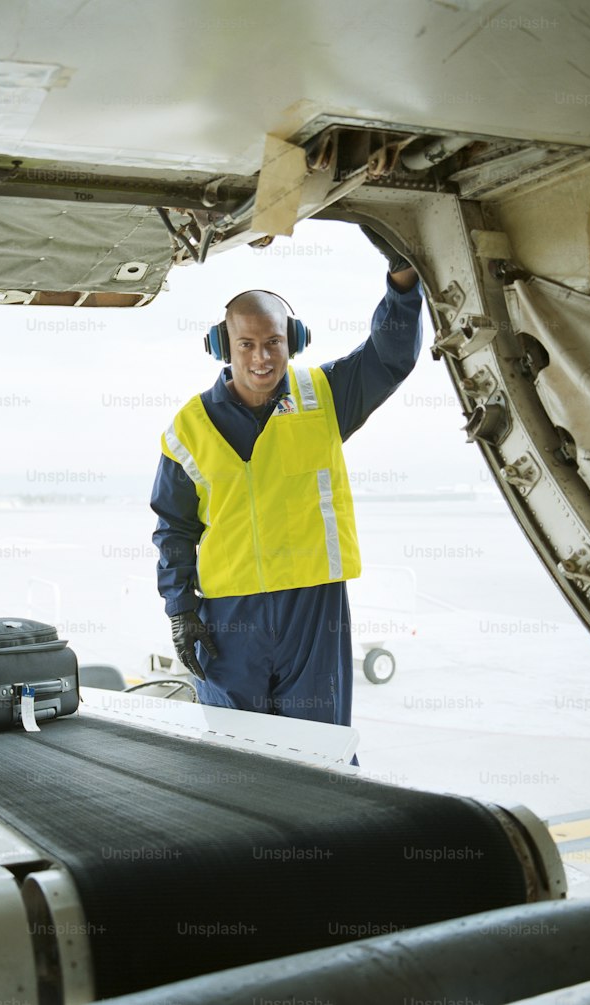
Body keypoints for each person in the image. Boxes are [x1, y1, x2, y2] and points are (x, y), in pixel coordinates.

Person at [150, 228, 422, 733]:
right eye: (246, 344)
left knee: (321, 747)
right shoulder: (188, 429)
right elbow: (174, 528)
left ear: (292, 341)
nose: (262, 358)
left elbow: (389, 357)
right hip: (228, 616)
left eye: (274, 342)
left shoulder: (326, 397)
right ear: (220, 346)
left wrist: (403, 279)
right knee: (237, 747)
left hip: (313, 608)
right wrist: (180, 610)